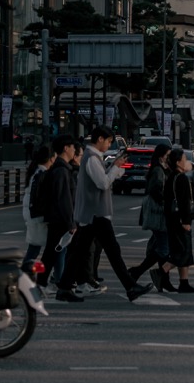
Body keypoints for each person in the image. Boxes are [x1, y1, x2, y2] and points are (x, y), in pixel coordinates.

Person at [61, 125, 151, 304]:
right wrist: (115, 168)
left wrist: (115, 168)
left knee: (81, 251)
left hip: (92, 213)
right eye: (108, 141)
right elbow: (102, 183)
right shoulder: (92, 158)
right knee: (111, 251)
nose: (109, 144)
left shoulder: (92, 157)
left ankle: (64, 287)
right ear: (100, 139)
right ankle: (130, 286)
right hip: (96, 213)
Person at [132, 144, 175, 291]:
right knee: (164, 248)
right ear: (162, 156)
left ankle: (161, 280)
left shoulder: (163, 168)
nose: (170, 157)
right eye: (168, 154)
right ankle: (141, 272)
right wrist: (166, 203)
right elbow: (156, 190)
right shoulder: (158, 170)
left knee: (159, 248)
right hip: (158, 213)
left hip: (159, 212)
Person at [38, 134, 77, 293]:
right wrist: (70, 222)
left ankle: (42, 282)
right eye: (73, 147)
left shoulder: (60, 169)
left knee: (51, 254)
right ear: (66, 148)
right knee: (51, 254)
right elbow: (64, 199)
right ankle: (43, 283)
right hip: (59, 219)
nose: (74, 150)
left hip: (57, 218)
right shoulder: (61, 171)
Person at [157, 146, 194, 294]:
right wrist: (186, 221)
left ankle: (184, 282)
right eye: (185, 159)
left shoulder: (173, 177)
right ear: (178, 162)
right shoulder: (180, 178)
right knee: (182, 251)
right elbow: (184, 202)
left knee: (183, 251)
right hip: (179, 220)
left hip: (173, 219)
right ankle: (161, 272)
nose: (187, 162)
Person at [21, 144, 53, 273]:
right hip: (38, 216)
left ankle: (25, 273)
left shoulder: (35, 171)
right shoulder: (42, 173)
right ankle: (24, 274)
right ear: (50, 158)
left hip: (33, 215)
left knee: (35, 247)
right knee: (37, 248)